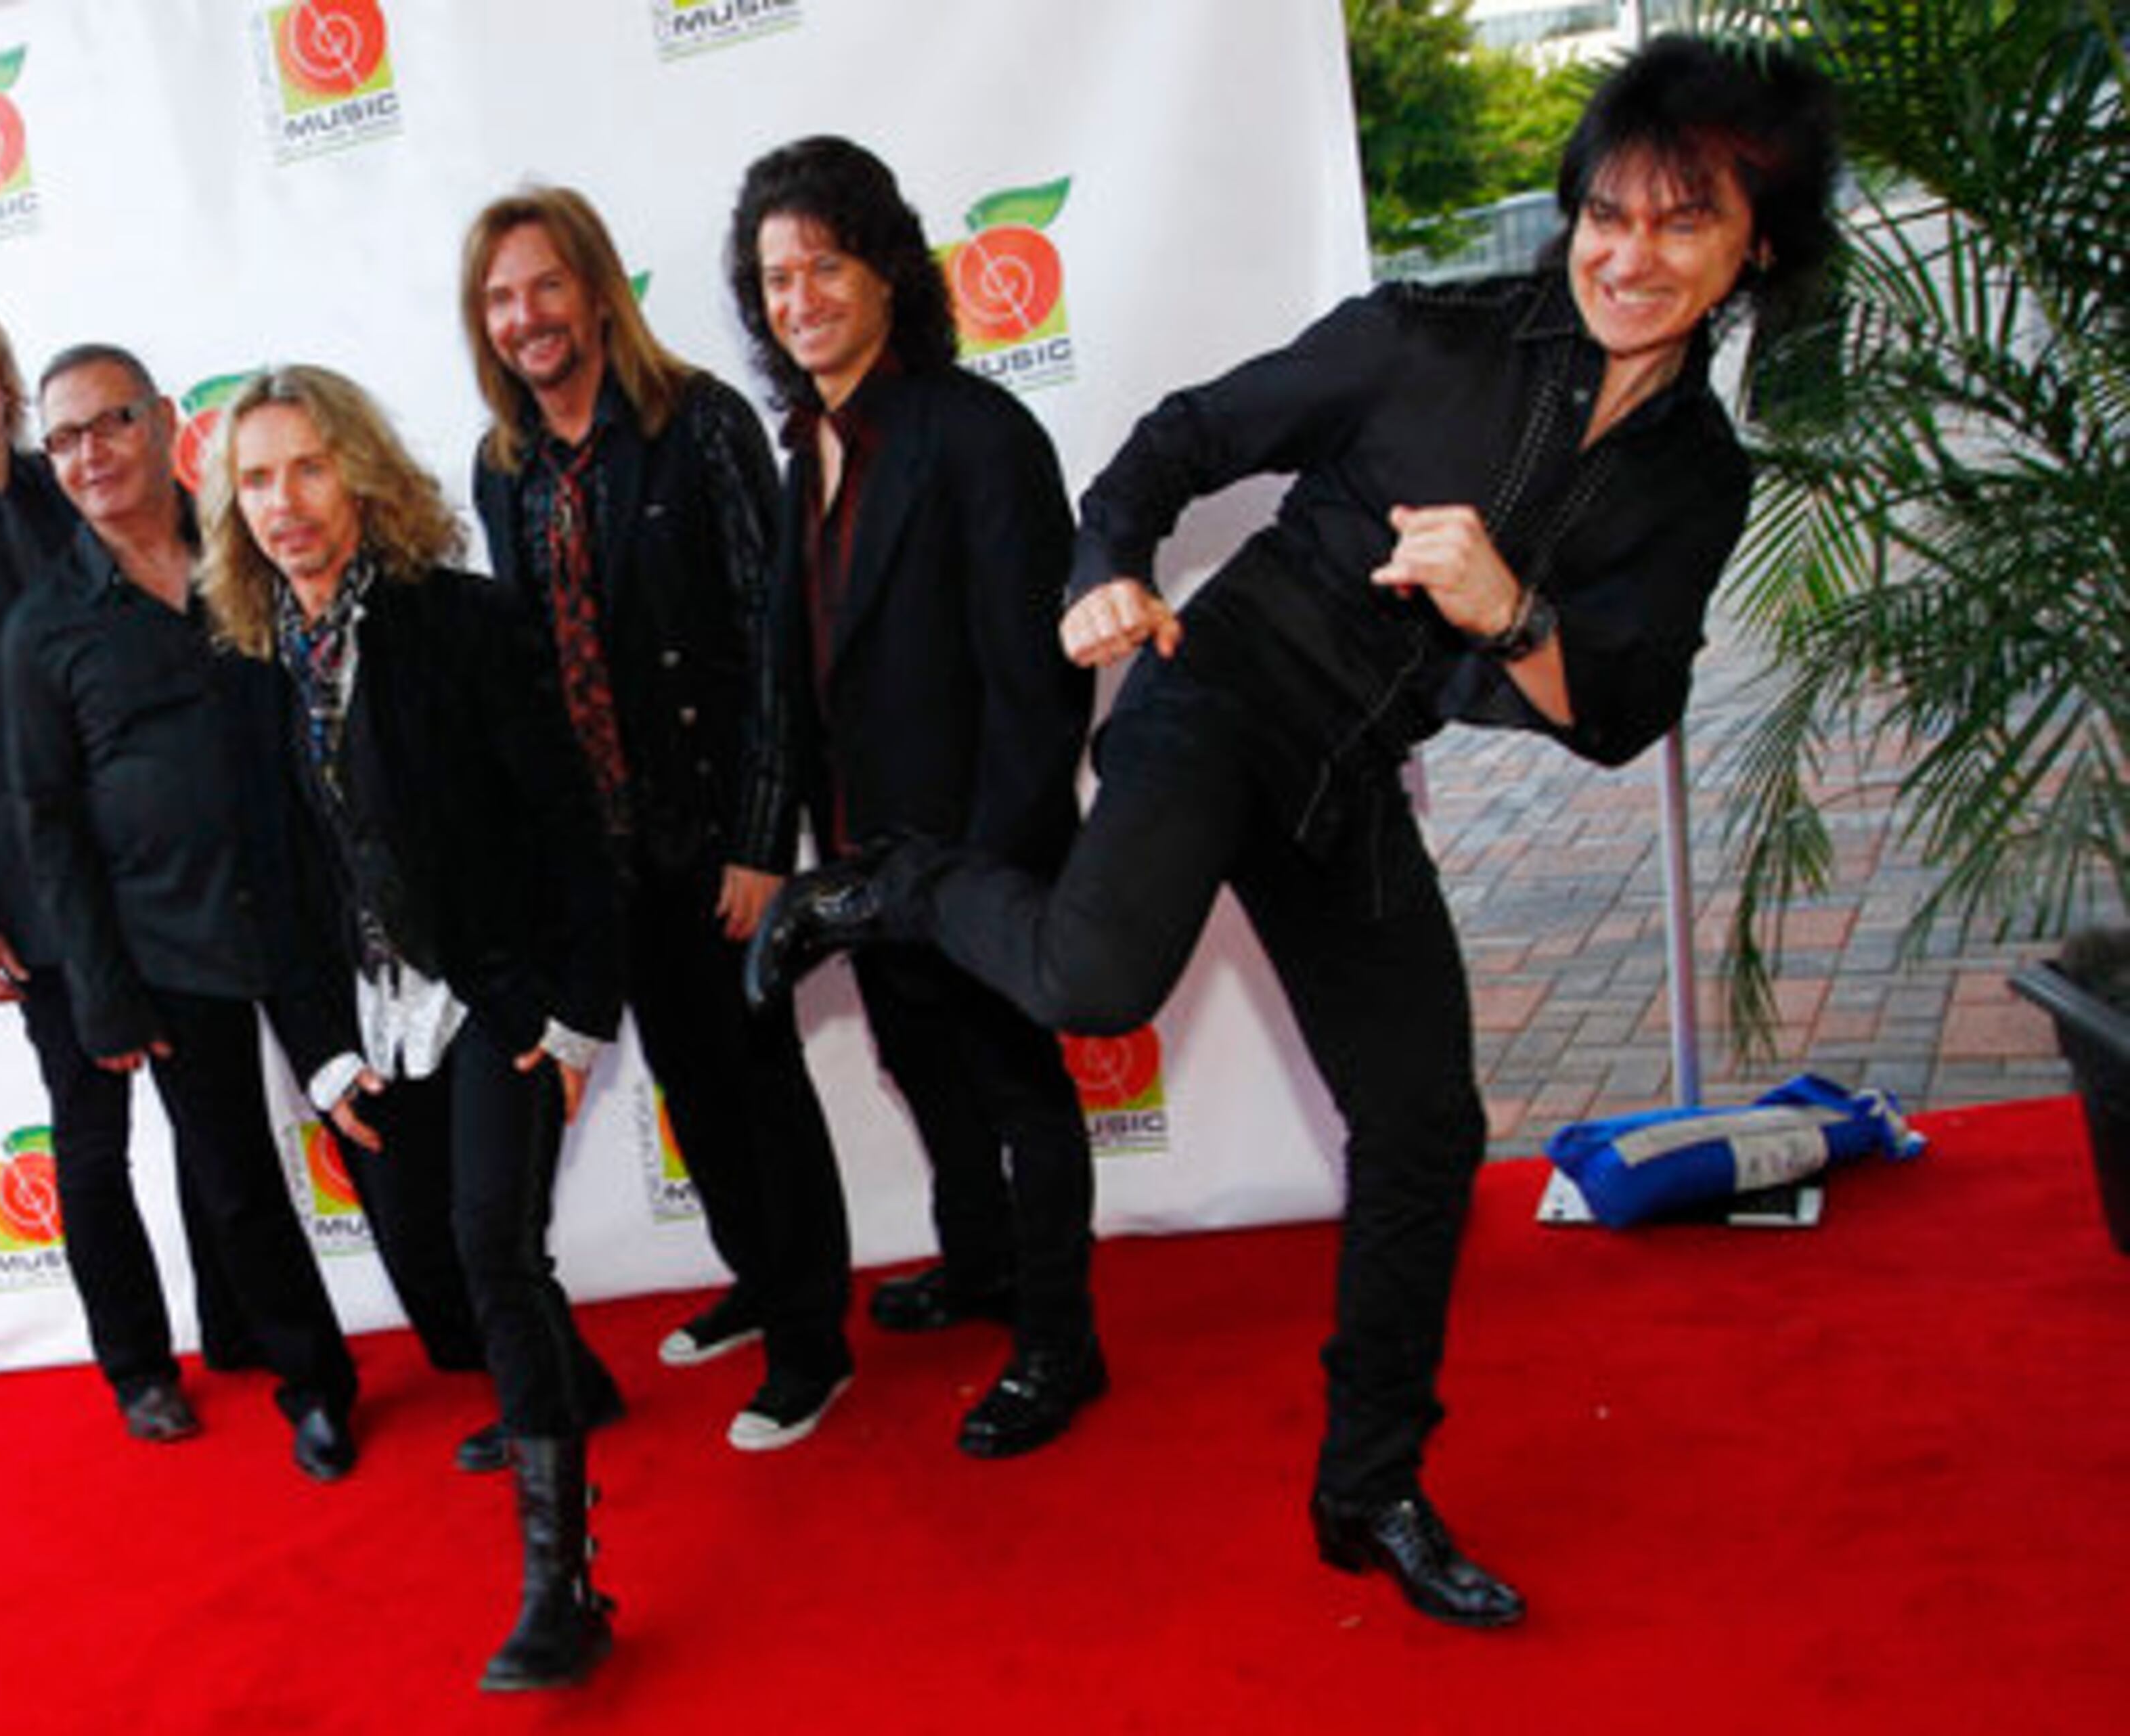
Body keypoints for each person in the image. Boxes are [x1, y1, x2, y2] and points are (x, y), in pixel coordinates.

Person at [749, 36, 1841, 1626]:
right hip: (1217, 697)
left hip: (1347, 774)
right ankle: (892, 883)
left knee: (1429, 1125)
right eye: (1609, 213)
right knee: (1093, 978)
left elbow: (1616, 711)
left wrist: (1512, 608)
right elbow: (1182, 438)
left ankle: (1371, 1484)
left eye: (1685, 223)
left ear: (1757, 247)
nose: (1631, 254)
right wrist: (1101, 566)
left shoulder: (1697, 478)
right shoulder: (1429, 339)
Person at [198, 365, 621, 1691]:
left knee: (496, 1248)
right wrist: (320, 1052)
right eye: (257, 479)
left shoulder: (466, 624)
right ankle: (566, 1378)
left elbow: (572, 825)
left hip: (495, 996)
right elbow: (272, 884)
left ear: (363, 476)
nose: (285, 503)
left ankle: (564, 1588)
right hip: (369, 1021)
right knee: (439, 1269)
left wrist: (572, 1023)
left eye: (309, 468)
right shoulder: (247, 666)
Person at [726, 137, 1106, 1459]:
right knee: (923, 1068)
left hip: (978, 852)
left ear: (889, 269)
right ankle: (983, 1264)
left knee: (1017, 1088)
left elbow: (1040, 685)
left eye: (826, 262)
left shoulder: (978, 433)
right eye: (778, 275)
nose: (802, 295)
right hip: (863, 855)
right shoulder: (803, 455)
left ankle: (1062, 1339)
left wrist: (992, 875)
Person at [462, 185, 856, 1452]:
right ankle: (761, 1273)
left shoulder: (699, 423)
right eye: (500, 297)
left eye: (546, 286)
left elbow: (767, 641)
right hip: (601, 853)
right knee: (691, 1079)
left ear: (595, 289)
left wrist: (758, 837)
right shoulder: (503, 463)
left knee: (760, 1079)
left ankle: (814, 1342)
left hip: (709, 833)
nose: (526, 317)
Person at [0, 285, 252, 1444]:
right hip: (36, 898)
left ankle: (240, 1323)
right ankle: (137, 1367)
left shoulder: (83, 486)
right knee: (91, 1131)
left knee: (212, 1109)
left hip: (162, 872)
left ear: (6, 384)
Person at [0, 342, 384, 1481]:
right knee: (232, 1180)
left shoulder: (251, 553)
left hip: (313, 914)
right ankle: (316, 1385)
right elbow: (48, 823)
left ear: (166, 422)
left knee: (382, 1132)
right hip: (165, 946)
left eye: (110, 422)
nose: (89, 454)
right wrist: (102, 988)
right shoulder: (41, 629)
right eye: (62, 439)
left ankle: (472, 1330)